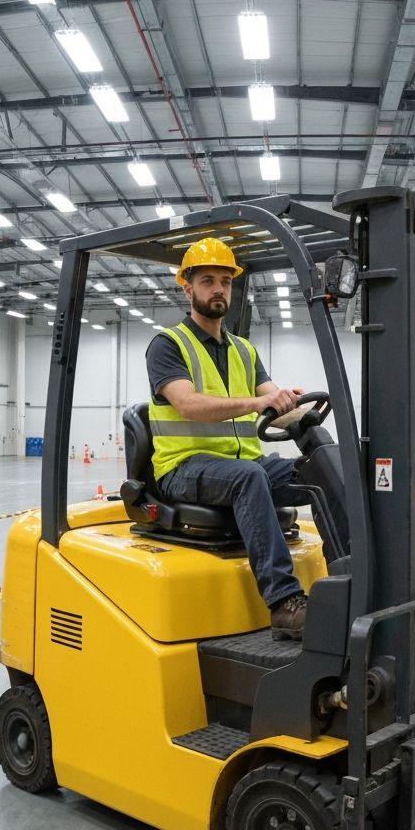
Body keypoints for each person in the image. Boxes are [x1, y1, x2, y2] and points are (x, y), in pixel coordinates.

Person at [145, 236, 315, 640]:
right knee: (248, 478)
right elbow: (187, 404)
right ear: (187, 288)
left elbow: (279, 404)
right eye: (207, 280)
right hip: (184, 468)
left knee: (321, 469)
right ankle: (284, 602)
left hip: (242, 464)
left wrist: (321, 419)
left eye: (225, 280)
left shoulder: (243, 350)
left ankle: (356, 571)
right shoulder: (167, 345)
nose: (218, 288)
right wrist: (257, 404)